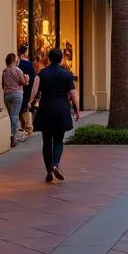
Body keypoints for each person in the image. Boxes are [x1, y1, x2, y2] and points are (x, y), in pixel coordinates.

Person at [31, 47, 80, 182]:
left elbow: (35, 90)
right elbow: (73, 94)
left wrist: (30, 102)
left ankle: (48, 171)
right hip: (61, 108)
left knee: (47, 141)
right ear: (61, 59)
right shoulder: (67, 74)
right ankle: (55, 164)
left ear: (49, 58)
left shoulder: (42, 73)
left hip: (46, 108)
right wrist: (76, 109)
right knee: (58, 139)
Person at [1, 52, 28, 147]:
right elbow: (24, 82)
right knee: (15, 116)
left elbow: (3, 85)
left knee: (11, 116)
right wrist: (27, 78)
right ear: (14, 61)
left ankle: (14, 134)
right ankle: (15, 136)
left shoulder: (5, 71)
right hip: (17, 94)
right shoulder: (18, 70)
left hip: (7, 95)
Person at [17, 44, 36, 138]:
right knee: (27, 107)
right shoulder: (28, 64)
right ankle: (28, 128)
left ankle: (22, 126)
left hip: (19, 89)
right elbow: (33, 78)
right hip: (27, 88)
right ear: (25, 53)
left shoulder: (17, 63)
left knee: (20, 108)